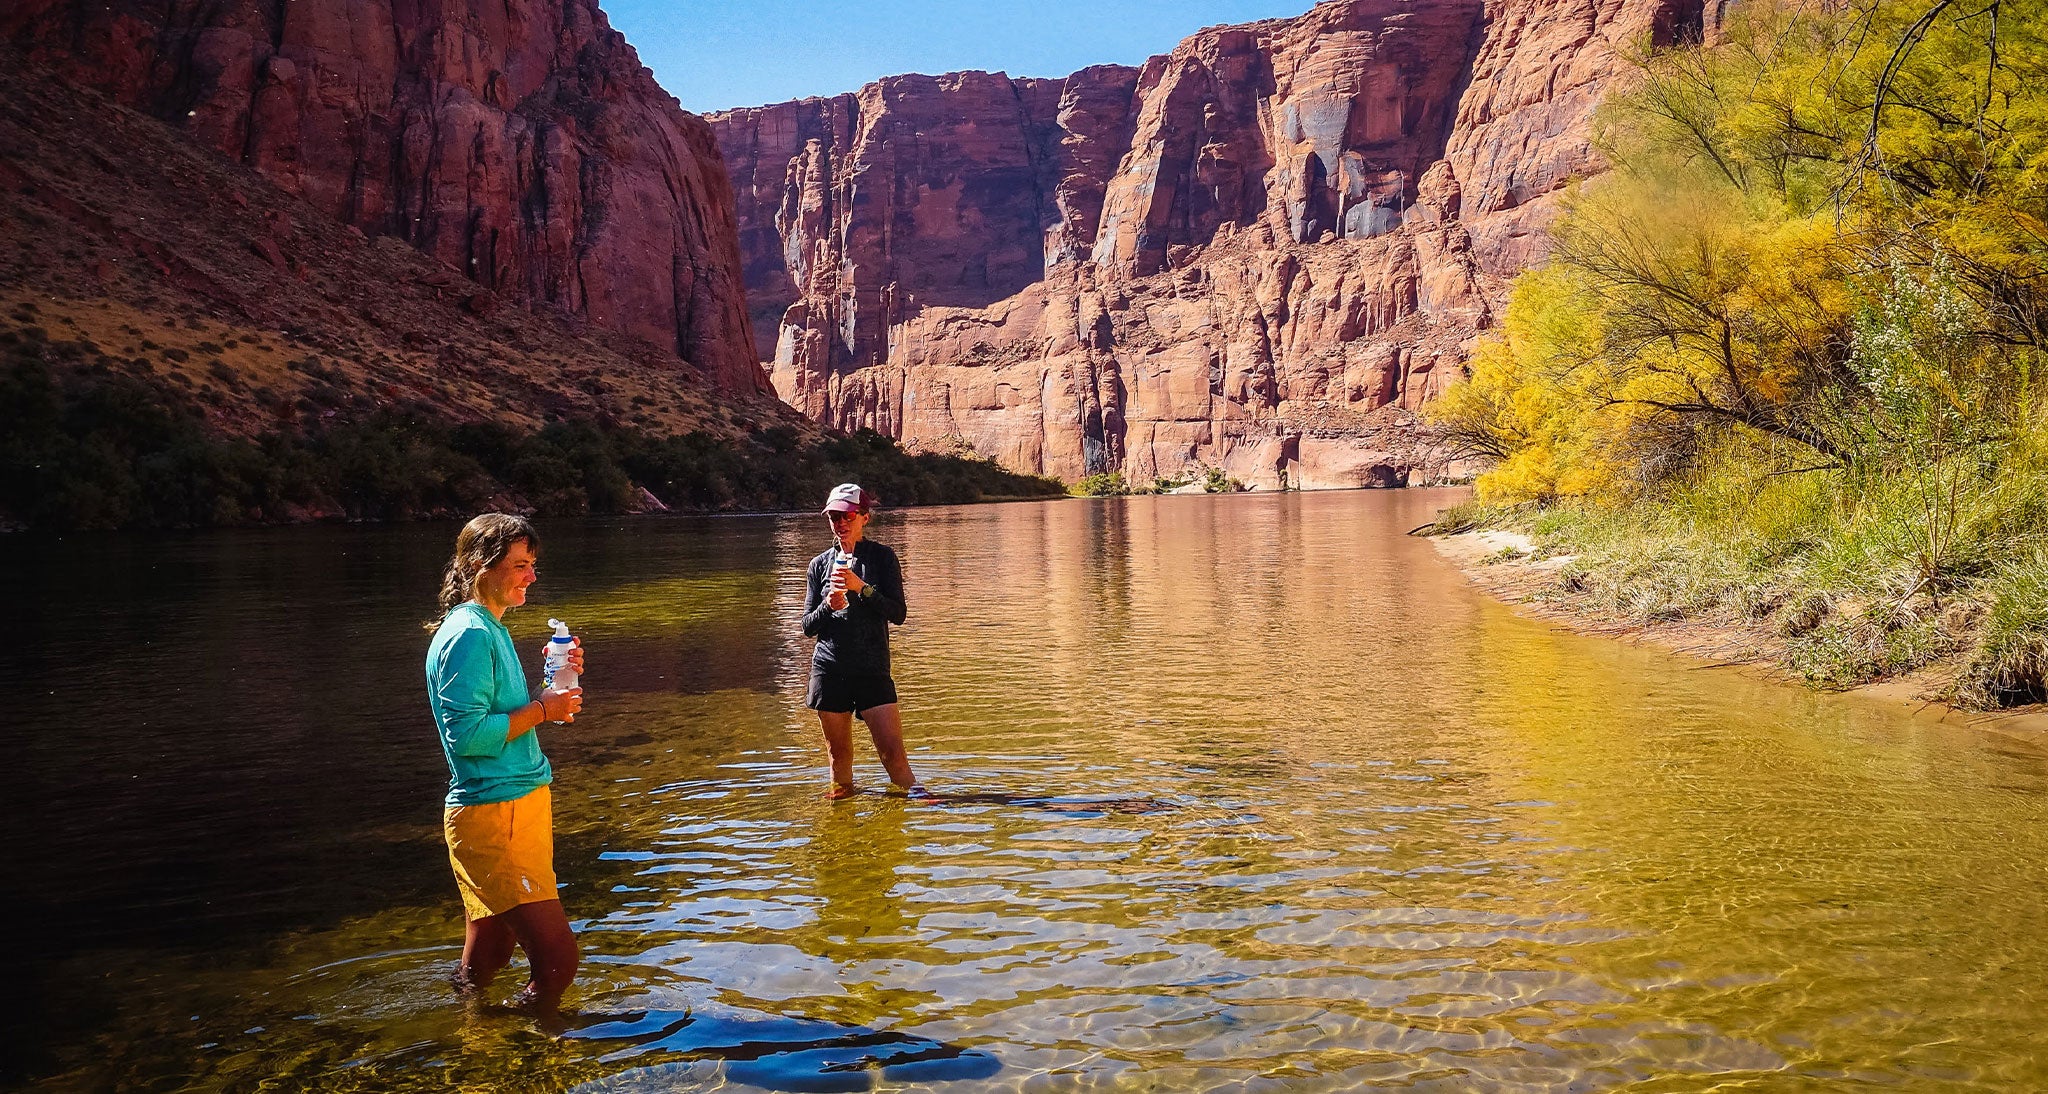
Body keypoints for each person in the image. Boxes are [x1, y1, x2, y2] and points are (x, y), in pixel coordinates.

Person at [423, 513, 585, 1014]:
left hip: (507, 807)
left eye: (532, 565)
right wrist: (543, 709)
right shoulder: (470, 634)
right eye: (519, 565)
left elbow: (498, 717)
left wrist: (549, 690)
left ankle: (474, 1032)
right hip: (497, 812)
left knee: (490, 951)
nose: (531, 577)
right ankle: (533, 1044)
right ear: (479, 564)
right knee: (558, 957)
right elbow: (468, 736)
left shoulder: (485, 628)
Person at [801, 483, 921, 799]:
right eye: (834, 517)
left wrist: (861, 588)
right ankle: (840, 833)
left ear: (864, 517)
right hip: (829, 670)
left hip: (872, 669)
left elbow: (898, 613)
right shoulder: (819, 564)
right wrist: (828, 605)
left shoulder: (882, 558)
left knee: (893, 757)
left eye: (847, 515)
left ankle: (926, 807)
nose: (840, 523)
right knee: (838, 760)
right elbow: (807, 627)